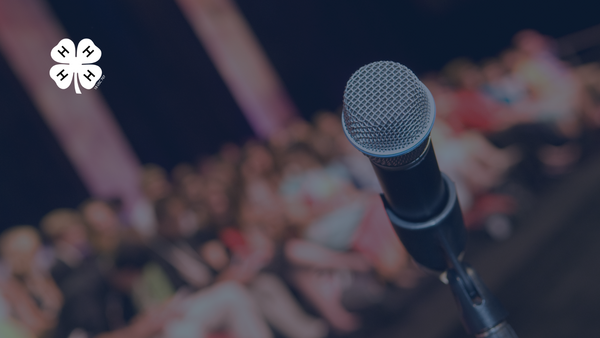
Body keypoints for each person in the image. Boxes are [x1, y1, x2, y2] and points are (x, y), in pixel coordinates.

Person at [0, 226, 63, 338]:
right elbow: (34, 324)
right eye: (15, 254)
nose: (22, 259)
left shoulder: (42, 278)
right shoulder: (7, 287)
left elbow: (58, 303)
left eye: (33, 253)